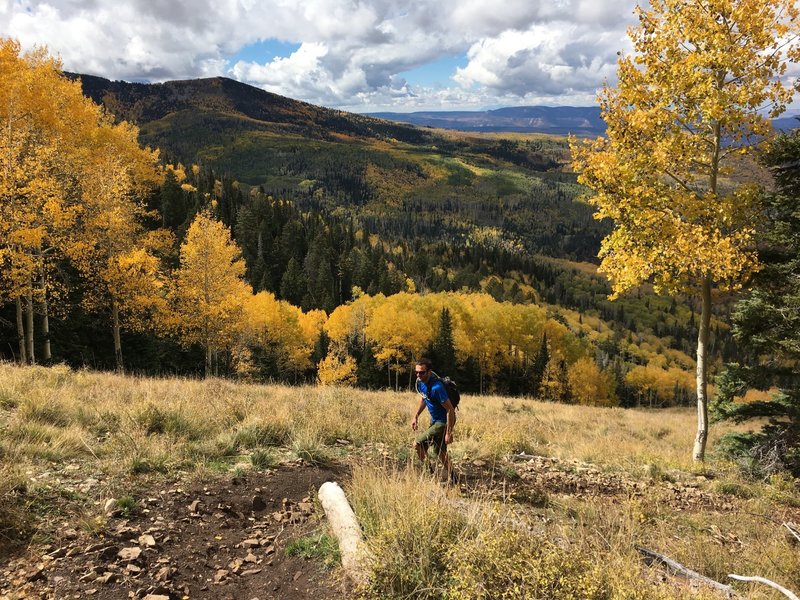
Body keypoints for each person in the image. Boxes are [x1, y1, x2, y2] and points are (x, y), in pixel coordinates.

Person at [411, 358, 456, 482]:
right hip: (435, 420)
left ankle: (429, 474)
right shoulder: (421, 383)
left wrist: (448, 432)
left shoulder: (437, 388)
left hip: (442, 422)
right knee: (439, 452)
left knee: (417, 443)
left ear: (429, 372)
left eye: (422, 372)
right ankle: (455, 477)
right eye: (416, 372)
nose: (418, 375)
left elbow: (450, 410)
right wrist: (416, 416)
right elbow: (424, 399)